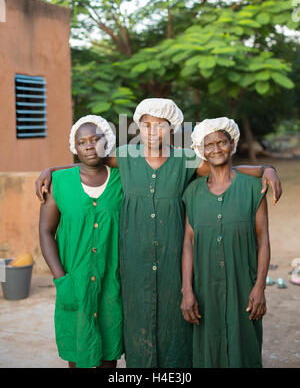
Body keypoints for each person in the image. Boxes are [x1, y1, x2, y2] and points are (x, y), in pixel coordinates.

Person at [35, 99, 281, 368]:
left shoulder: (184, 160)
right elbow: (89, 160)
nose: (152, 131)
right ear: (138, 126)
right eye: (146, 125)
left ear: (172, 128)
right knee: (135, 329)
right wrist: (51, 170)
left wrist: (264, 169)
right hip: (134, 267)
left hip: (173, 266)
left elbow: (221, 168)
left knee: (177, 330)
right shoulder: (126, 156)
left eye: (160, 125)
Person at [181, 117, 270, 368]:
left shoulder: (254, 188)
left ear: (232, 145)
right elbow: (188, 242)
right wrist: (187, 291)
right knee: (208, 350)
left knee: (246, 348)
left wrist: (260, 287)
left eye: (222, 142)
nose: (216, 149)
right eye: (209, 145)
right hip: (204, 288)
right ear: (201, 150)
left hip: (244, 284)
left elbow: (263, 240)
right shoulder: (193, 192)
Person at [39, 115, 123, 368]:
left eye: (95, 139)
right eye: (82, 141)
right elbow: (46, 232)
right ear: (74, 147)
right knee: (77, 352)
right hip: (73, 281)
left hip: (112, 282)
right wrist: (60, 277)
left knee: (109, 353)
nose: (88, 145)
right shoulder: (59, 184)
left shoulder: (123, 180)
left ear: (106, 143)